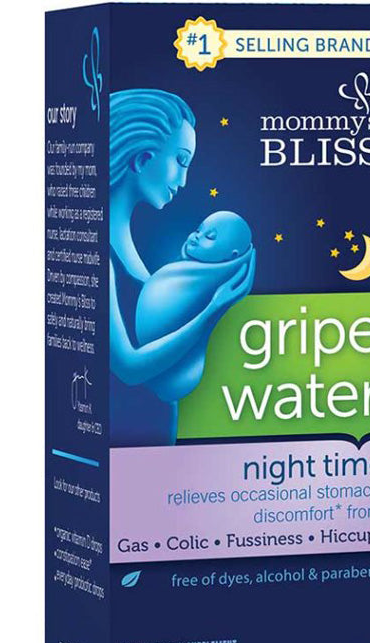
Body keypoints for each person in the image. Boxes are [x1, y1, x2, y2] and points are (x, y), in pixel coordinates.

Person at [109, 89, 256, 446]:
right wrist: (213, 310)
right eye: (181, 160)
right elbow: (128, 369)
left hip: (152, 445)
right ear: (142, 159)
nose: (183, 180)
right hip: (126, 443)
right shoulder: (101, 257)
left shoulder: (124, 246)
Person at [135, 211, 254, 402]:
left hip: (172, 379)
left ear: (229, 256)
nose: (197, 236)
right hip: (145, 374)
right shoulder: (180, 269)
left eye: (210, 237)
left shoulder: (215, 288)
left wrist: (213, 308)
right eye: (199, 230)